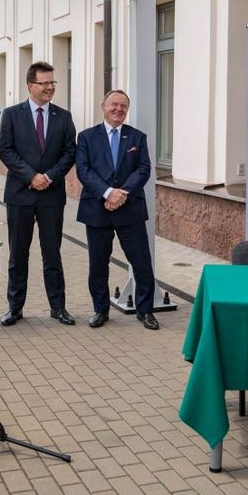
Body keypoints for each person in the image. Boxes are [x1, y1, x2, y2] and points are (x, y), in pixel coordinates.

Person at [0, 61, 77, 326]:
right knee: (18, 254)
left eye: (53, 82)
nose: (50, 88)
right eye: (44, 83)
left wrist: (50, 176)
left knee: (52, 254)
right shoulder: (11, 114)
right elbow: (6, 150)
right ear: (30, 85)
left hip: (52, 196)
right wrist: (31, 176)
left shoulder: (63, 117)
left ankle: (58, 307)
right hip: (20, 194)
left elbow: (69, 152)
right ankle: (15, 308)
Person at [75, 90, 159, 330]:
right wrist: (107, 193)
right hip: (97, 209)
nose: (118, 109)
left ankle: (145, 311)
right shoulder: (87, 137)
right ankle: (100, 310)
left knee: (141, 262)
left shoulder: (137, 138)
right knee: (98, 264)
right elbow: (83, 170)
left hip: (129, 208)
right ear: (103, 106)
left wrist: (121, 194)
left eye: (123, 106)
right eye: (114, 104)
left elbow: (143, 169)